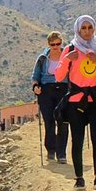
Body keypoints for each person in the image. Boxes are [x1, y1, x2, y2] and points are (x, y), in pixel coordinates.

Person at [55, 15, 96, 190]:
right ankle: (79, 178)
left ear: (94, 28)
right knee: (77, 140)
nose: (87, 31)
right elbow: (58, 76)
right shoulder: (70, 49)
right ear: (78, 30)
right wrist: (67, 60)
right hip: (76, 102)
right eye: (83, 28)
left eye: (90, 28)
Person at [31, 31, 69, 163]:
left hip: (63, 89)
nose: (56, 47)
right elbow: (35, 76)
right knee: (49, 122)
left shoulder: (67, 57)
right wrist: (35, 87)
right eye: (53, 44)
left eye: (58, 44)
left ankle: (62, 153)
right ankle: (51, 150)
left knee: (63, 122)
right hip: (46, 91)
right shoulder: (42, 59)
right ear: (48, 44)